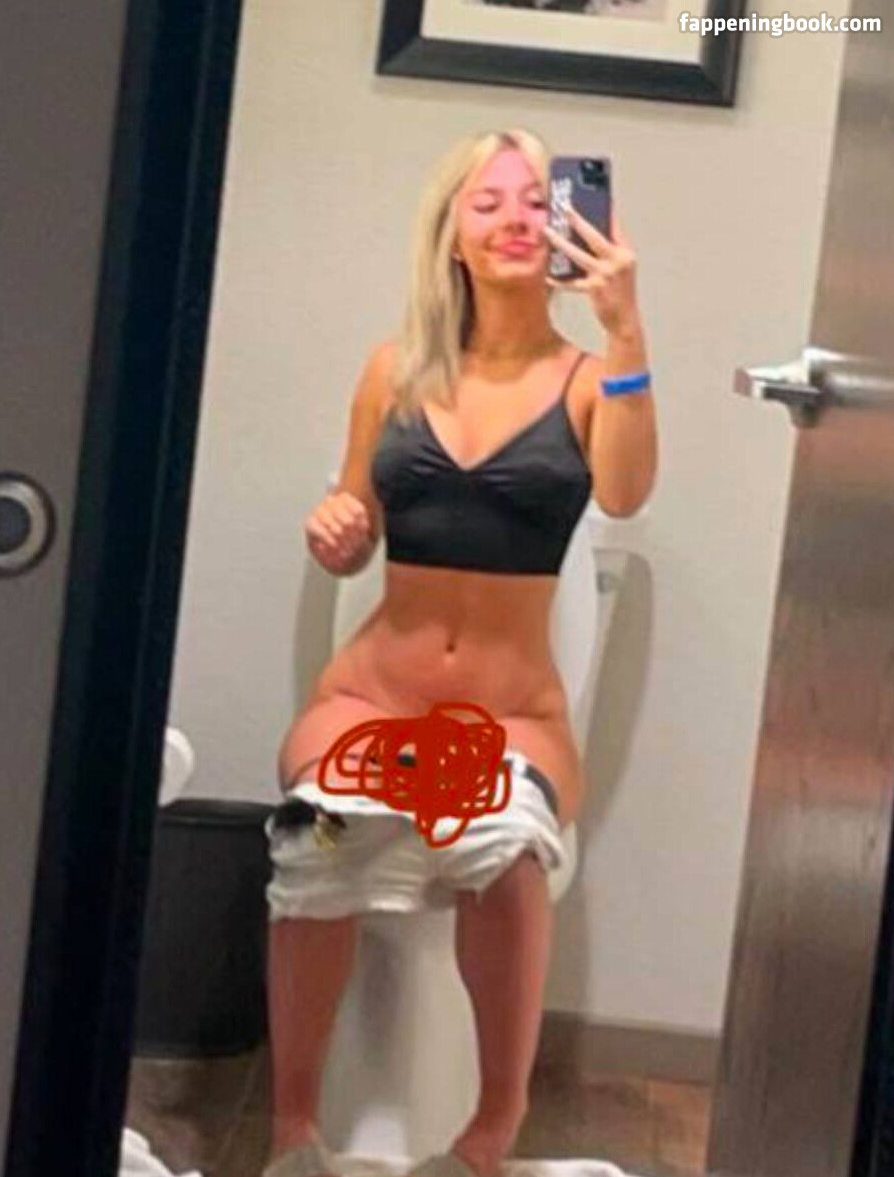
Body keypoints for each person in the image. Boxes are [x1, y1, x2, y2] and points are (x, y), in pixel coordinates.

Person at [263, 127, 658, 1177]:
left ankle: (490, 1131)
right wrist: (337, 529)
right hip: (370, 695)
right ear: (451, 236)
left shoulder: (588, 381)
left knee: (505, 856)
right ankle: (293, 1131)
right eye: (488, 203)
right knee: (317, 843)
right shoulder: (392, 371)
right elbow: (355, 520)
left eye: (536, 201)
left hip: (512, 716)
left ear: (567, 224)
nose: (516, 219)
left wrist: (625, 327)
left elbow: (625, 493)